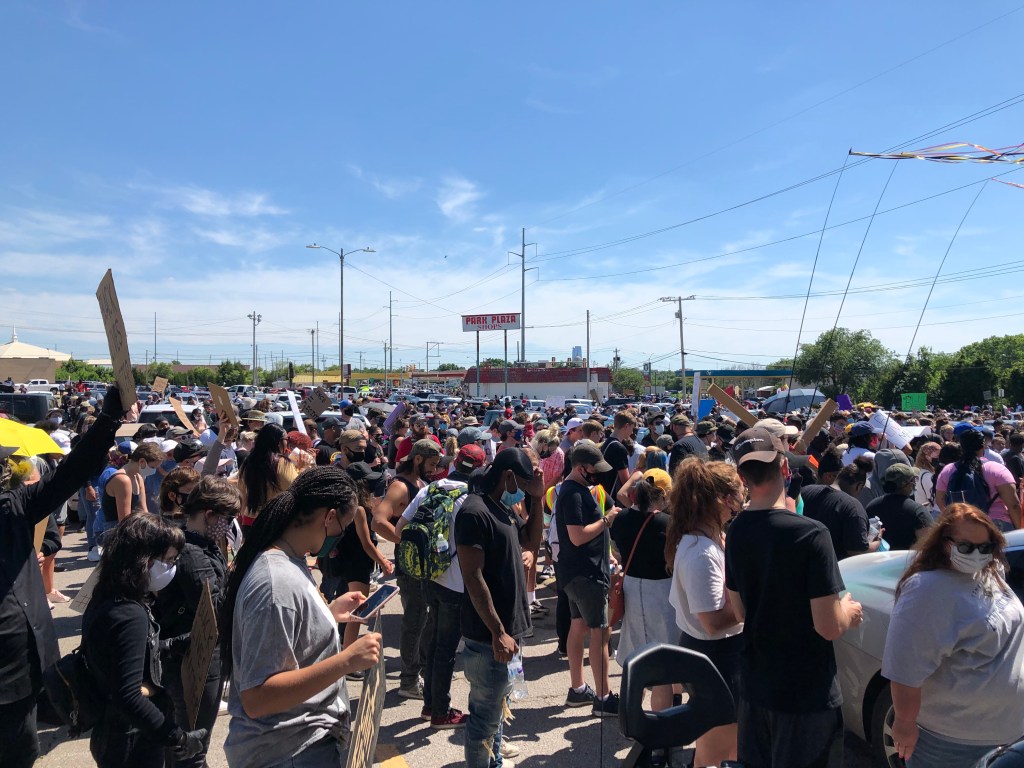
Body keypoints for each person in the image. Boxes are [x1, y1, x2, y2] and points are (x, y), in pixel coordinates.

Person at [0, 384, 129, 768]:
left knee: (22, 753)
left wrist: (107, 421)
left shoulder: (13, 503)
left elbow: (68, 477)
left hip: (27, 662)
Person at [220, 467, 382, 768]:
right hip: (289, 752)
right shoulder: (275, 584)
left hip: (299, 744)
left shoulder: (289, 559)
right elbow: (258, 697)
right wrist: (348, 660)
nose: (340, 536)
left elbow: (288, 635)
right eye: (343, 528)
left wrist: (329, 614)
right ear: (329, 517)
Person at [724, 427, 863, 768]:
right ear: (785, 468)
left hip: (757, 687)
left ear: (742, 476)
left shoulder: (736, 530)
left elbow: (739, 610)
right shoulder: (812, 534)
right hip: (806, 693)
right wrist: (849, 609)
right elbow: (829, 626)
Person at [883, 503, 1024, 766]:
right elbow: (905, 668)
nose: (977, 554)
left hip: (1010, 735)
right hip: (952, 745)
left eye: (985, 547)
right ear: (943, 543)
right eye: (966, 547)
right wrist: (903, 722)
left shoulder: (989, 571)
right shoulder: (926, 590)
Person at [83, 513, 207, 768]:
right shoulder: (129, 614)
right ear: (143, 560)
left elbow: (118, 658)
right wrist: (178, 737)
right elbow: (128, 695)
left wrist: (168, 646)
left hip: (111, 733)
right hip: (131, 740)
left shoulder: (106, 596)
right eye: (169, 560)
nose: (172, 567)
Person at [455, 447, 543, 768]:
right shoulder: (474, 513)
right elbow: (473, 578)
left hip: (508, 636)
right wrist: (498, 631)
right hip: (490, 638)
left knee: (496, 716)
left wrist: (537, 497)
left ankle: (495, 763)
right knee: (483, 721)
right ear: (507, 477)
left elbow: (532, 542)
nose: (522, 489)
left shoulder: (502, 509)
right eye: (521, 483)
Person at [153, 476, 241, 768]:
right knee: (194, 743)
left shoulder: (195, 542)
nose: (229, 526)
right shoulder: (192, 552)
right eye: (228, 518)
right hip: (196, 657)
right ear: (210, 514)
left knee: (185, 737)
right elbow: (213, 608)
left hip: (190, 653)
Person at [396, 444, 486, 729]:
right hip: (456, 583)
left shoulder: (430, 489)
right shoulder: (471, 499)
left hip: (428, 577)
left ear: (454, 461)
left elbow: (400, 529)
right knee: (446, 649)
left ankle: (429, 705)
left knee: (434, 642)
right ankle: (441, 712)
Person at [665, 458, 744, 766]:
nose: (742, 498)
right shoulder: (700, 552)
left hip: (720, 656)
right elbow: (712, 622)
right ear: (723, 499)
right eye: (738, 492)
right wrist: (749, 605)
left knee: (725, 744)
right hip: (716, 657)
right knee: (716, 748)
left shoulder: (711, 538)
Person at [372, 438, 443, 699]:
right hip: (410, 567)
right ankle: (409, 681)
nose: (435, 470)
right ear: (417, 459)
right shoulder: (401, 486)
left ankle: (419, 672)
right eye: (432, 464)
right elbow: (378, 521)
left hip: (425, 565)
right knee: (414, 621)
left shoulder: (420, 484)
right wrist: (406, 542)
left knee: (426, 620)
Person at [556, 440, 622, 717]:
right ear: (582, 467)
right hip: (586, 574)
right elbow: (578, 535)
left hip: (577, 572)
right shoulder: (573, 493)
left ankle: (578, 688)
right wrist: (607, 520)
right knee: (600, 632)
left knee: (578, 624)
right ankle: (603, 696)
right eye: (594, 468)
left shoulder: (576, 490)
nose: (598, 473)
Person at [609, 469, 677, 706]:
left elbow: (617, 550)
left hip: (631, 589)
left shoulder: (621, 519)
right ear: (664, 495)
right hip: (661, 594)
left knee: (635, 657)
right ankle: (660, 723)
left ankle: (631, 713)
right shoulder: (667, 524)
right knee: (662, 664)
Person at [936, 427, 1021, 532]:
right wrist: (1018, 530)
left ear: (961, 447)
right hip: (995, 524)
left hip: (961, 526)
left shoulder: (947, 470)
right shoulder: (997, 469)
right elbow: (1013, 504)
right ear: (983, 446)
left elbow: (940, 499)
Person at [802, 456, 881, 560]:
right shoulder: (853, 508)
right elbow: (857, 550)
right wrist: (877, 542)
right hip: (827, 570)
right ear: (858, 486)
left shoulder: (805, 491)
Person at [236, 423, 298, 534]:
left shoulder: (249, 462)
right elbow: (295, 488)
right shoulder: (282, 463)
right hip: (275, 522)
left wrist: (241, 518)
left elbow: (242, 494)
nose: (287, 442)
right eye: (286, 439)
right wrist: (304, 468)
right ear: (278, 441)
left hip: (249, 520)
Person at [865, 464, 934, 550]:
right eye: (912, 480)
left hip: (878, 561)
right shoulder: (918, 511)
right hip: (906, 561)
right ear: (907, 485)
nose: (914, 483)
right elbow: (928, 544)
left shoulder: (871, 506)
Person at [101, 441, 165, 529]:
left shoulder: (139, 477)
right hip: (117, 531)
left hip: (133, 527)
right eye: (152, 467)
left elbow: (143, 510)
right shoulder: (122, 480)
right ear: (142, 461)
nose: (153, 471)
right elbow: (124, 520)